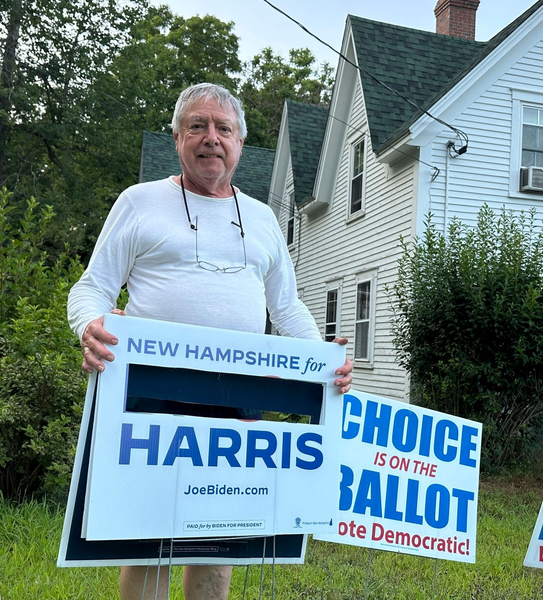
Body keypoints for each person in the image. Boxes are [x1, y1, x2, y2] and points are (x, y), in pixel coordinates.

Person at [67, 82, 352, 600]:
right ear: (177, 137)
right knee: (146, 534)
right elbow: (92, 287)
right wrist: (90, 324)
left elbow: (285, 306)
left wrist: (324, 360)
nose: (211, 138)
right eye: (197, 125)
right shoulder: (140, 202)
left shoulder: (263, 218)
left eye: (224, 128)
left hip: (240, 395)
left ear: (240, 143)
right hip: (151, 389)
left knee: (218, 533)